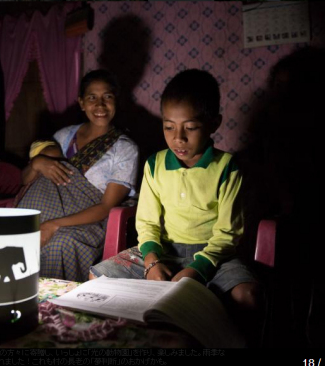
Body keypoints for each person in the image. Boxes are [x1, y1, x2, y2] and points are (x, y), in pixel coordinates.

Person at [90, 69, 262, 346]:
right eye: (169, 126)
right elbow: (146, 223)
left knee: (247, 296)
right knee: (97, 276)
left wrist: (199, 269)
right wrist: (151, 260)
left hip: (214, 256)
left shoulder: (227, 168)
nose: (178, 138)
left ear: (213, 124)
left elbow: (228, 233)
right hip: (163, 251)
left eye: (190, 128)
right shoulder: (155, 164)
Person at [18, 69, 139, 282]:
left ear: (116, 102)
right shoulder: (64, 136)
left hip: (92, 220)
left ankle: (58, 305)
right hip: (44, 211)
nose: (100, 105)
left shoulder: (125, 149)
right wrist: (37, 163)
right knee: (16, 234)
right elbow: (26, 181)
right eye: (92, 98)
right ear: (82, 103)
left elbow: (106, 207)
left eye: (107, 97)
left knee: (61, 244)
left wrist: (53, 225)